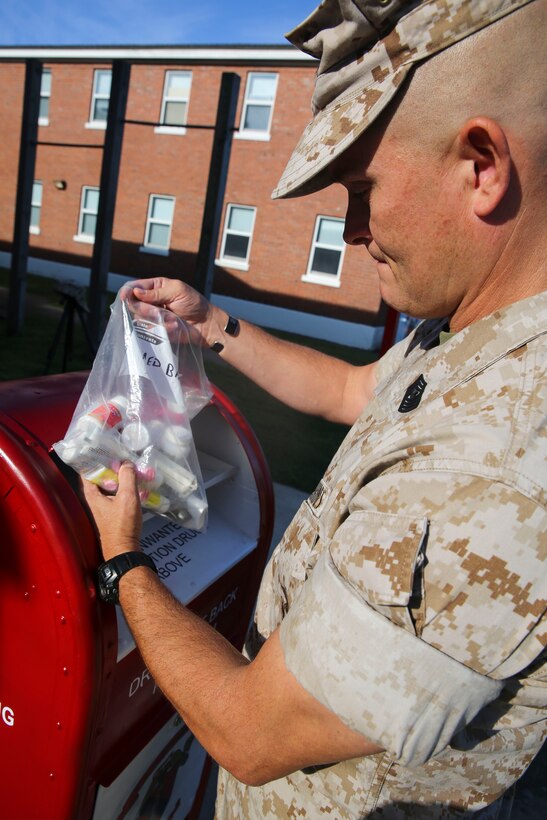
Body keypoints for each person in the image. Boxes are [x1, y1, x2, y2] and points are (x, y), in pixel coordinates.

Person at [82, 0, 547, 816]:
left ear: (482, 165)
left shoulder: (492, 471)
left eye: (362, 187)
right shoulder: (480, 334)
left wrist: (121, 559)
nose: (350, 225)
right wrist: (211, 323)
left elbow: (251, 735)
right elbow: (348, 391)